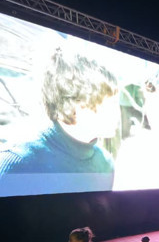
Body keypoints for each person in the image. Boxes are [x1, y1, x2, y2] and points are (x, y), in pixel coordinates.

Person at [0, 48, 119, 195]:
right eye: (111, 103)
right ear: (78, 101)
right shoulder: (16, 164)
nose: (117, 113)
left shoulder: (105, 163)